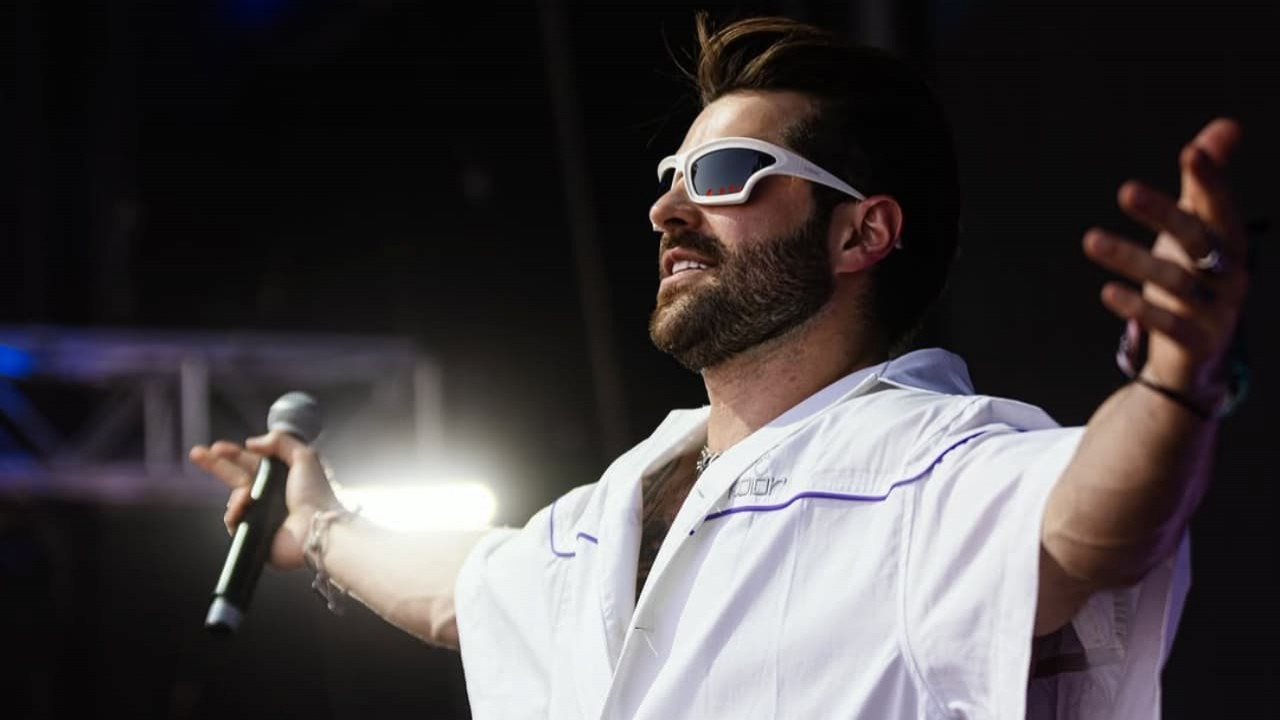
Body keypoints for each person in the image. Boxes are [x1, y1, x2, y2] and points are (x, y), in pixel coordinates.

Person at [190, 13, 1250, 719]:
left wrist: (1173, 386)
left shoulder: (928, 464)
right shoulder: (624, 499)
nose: (667, 208)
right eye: (672, 174)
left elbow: (1087, 525)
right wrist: (319, 526)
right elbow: (463, 590)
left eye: (729, 173)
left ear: (861, 233)